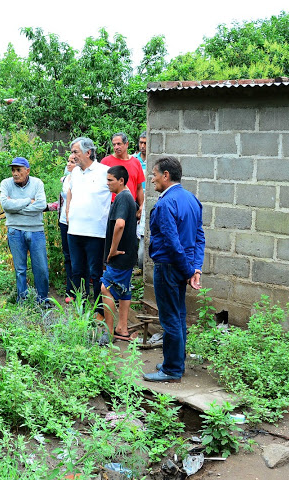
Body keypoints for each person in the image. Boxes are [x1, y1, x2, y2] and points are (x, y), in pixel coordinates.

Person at [143, 156, 205, 383]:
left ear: (166, 176)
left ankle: (171, 370)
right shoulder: (191, 199)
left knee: (170, 318)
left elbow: (171, 242)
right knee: (178, 316)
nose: (152, 179)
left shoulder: (165, 203)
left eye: (154, 174)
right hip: (182, 266)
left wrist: (190, 270)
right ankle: (175, 362)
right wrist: (195, 268)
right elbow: (199, 237)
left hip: (169, 266)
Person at [66, 137, 110, 307]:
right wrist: (68, 212)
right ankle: (81, 308)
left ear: (88, 152)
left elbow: (122, 191)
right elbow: (70, 192)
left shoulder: (104, 171)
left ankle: (99, 310)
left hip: (95, 232)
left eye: (75, 152)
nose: (72, 156)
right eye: (72, 152)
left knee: (96, 272)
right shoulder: (75, 172)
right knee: (77, 271)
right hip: (75, 231)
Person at [0, 157, 49, 304]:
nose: (15, 173)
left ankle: (42, 300)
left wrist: (16, 208)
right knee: (20, 269)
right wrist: (28, 201)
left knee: (41, 268)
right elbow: (6, 205)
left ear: (27, 171)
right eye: (13, 170)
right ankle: (23, 300)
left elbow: (41, 205)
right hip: (15, 230)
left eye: (18, 170)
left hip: (35, 230)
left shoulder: (37, 183)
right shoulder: (6, 184)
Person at [99, 166, 138, 345]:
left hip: (120, 255)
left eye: (110, 180)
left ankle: (107, 332)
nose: (107, 183)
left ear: (121, 181)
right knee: (124, 288)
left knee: (105, 289)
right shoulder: (128, 196)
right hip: (129, 254)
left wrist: (113, 249)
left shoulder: (122, 197)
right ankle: (122, 328)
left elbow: (120, 224)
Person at [100, 133, 145, 221]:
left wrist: (141, 205)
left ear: (126, 144)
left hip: (130, 205)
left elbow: (139, 188)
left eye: (119, 144)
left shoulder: (136, 163)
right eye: (114, 144)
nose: (116, 147)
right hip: (110, 205)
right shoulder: (106, 162)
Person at [58, 157, 77, 303]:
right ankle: (69, 290)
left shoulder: (83, 179)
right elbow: (61, 200)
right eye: (68, 161)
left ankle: (80, 289)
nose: (69, 164)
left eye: (73, 162)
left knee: (79, 257)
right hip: (64, 221)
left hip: (78, 222)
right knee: (68, 256)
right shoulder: (65, 179)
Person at [132, 132, 147, 269]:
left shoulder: (154, 161)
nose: (142, 146)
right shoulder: (134, 160)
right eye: (141, 142)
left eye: (145, 143)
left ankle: (142, 266)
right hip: (134, 200)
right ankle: (136, 264)